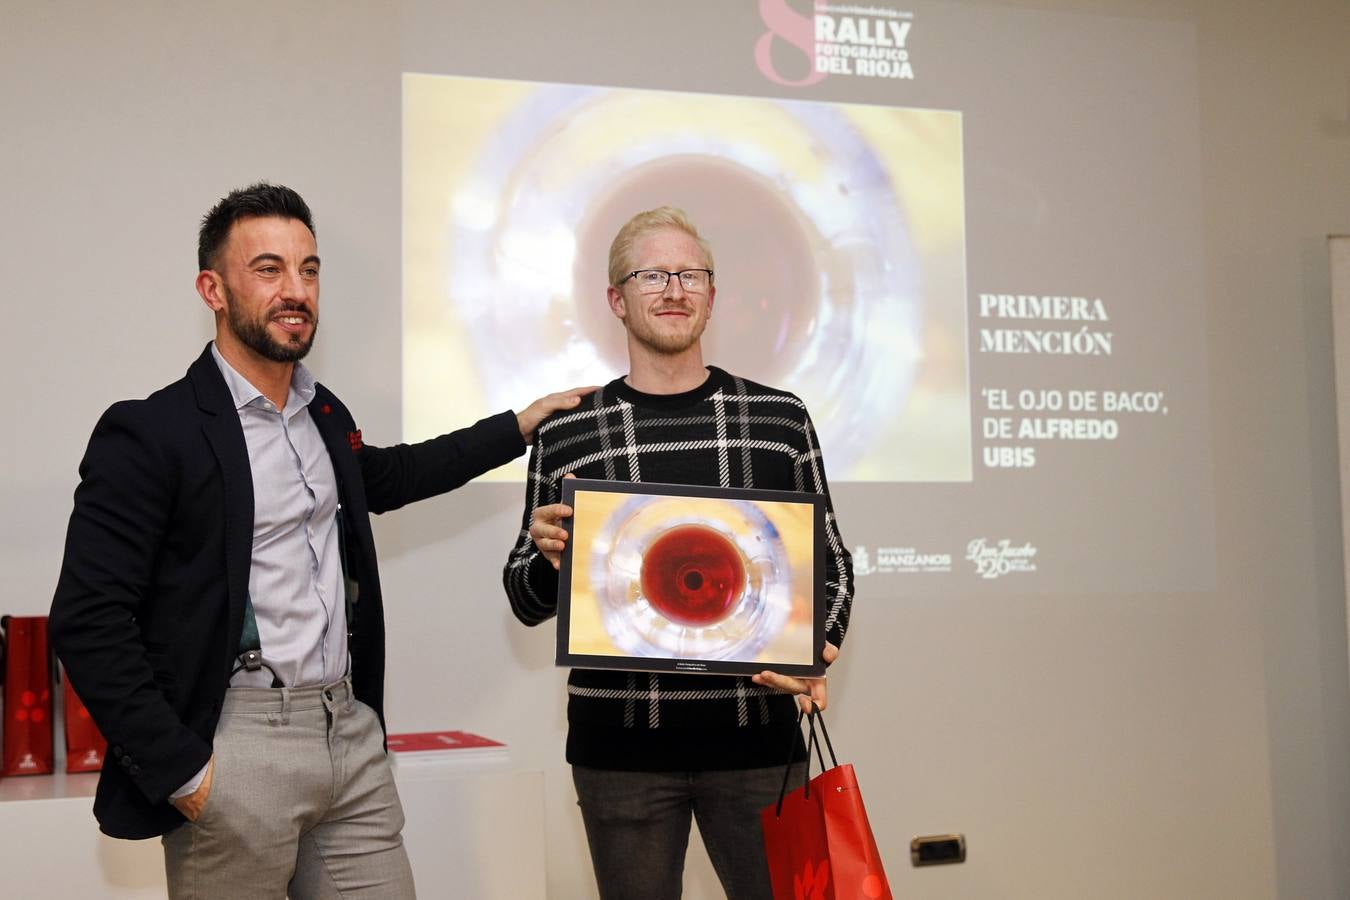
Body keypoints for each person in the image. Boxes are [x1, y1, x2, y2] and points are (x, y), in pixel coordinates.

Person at [49, 182, 590, 899]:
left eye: (308, 269)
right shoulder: (152, 432)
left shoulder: (322, 413)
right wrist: (186, 773)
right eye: (268, 268)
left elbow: (391, 475)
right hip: (235, 745)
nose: (295, 289)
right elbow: (88, 620)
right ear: (213, 288)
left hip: (350, 735)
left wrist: (517, 426)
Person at [502, 207, 854, 899]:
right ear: (617, 299)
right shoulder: (568, 433)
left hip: (757, 742)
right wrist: (547, 559)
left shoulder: (779, 419)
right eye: (653, 274)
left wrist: (819, 645)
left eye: (691, 274)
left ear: (712, 295)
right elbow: (522, 594)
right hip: (619, 751)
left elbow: (832, 565)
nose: (674, 289)